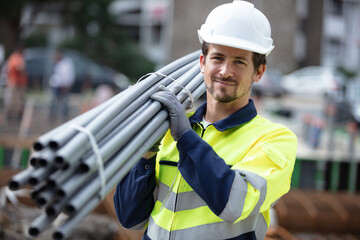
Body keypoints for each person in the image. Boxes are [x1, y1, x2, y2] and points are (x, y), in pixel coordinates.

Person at [113, 1, 297, 239]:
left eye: (239, 62)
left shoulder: (274, 140)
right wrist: (146, 154)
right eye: (218, 58)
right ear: (203, 63)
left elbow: (234, 203)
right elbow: (130, 218)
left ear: (259, 71)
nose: (225, 71)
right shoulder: (169, 129)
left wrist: (186, 139)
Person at [48, 48, 75, 122]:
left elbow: (69, 75)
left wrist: (67, 85)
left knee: (64, 103)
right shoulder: (55, 63)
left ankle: (64, 118)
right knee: (54, 102)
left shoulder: (67, 63)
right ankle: (52, 118)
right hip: (56, 85)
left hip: (64, 86)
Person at [4, 44, 28, 121]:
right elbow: (18, 67)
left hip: (19, 83)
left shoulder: (19, 57)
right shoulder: (15, 57)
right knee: (13, 100)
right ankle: (11, 115)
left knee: (19, 100)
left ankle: (17, 115)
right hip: (14, 82)